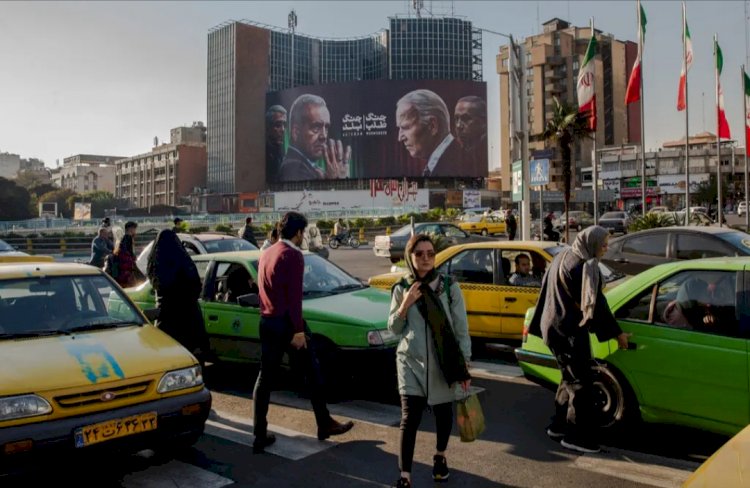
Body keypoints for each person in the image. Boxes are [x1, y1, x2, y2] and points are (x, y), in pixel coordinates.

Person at [253, 211, 354, 453]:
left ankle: (258, 434)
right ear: (299, 233)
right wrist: (298, 331)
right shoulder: (293, 255)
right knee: (313, 372)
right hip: (287, 323)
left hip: (267, 321)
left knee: (264, 380)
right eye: (303, 233)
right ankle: (324, 423)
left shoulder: (267, 252)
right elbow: (294, 298)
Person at [527, 226, 630, 454]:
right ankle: (576, 437)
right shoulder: (583, 267)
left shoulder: (564, 255)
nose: (605, 248)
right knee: (581, 383)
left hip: (553, 327)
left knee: (568, 378)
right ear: (590, 243)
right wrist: (617, 334)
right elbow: (598, 305)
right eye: (602, 244)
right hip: (567, 331)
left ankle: (558, 426)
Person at [388, 234, 472, 488]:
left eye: (430, 254)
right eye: (419, 254)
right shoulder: (402, 287)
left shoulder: (448, 286)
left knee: (443, 412)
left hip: (442, 362)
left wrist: (464, 365)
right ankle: (405, 477)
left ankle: (440, 456)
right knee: (409, 418)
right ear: (410, 257)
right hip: (409, 362)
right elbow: (393, 328)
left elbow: (461, 329)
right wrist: (405, 305)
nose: (425, 259)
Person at [147, 228, 210, 363]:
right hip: (188, 316)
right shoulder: (184, 261)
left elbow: (157, 285)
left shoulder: (155, 264)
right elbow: (196, 285)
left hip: (166, 317)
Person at [277, 94, 350, 182]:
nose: (324, 136)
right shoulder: (294, 168)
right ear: (296, 132)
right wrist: (337, 180)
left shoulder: (310, 168)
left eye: (326, 128)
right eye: (316, 127)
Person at [396, 89, 464, 177]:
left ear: (432, 126)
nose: (400, 137)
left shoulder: (457, 166)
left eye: (405, 127)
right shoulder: (450, 160)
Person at [454, 96, 488, 176]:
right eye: (456, 119)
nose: (458, 126)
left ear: (483, 122)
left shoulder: (486, 153)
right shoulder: (455, 155)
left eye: (466, 119)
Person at [110, 221, 144, 288]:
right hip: (127, 266)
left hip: (122, 266)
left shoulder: (122, 237)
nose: (135, 231)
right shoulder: (128, 237)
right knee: (141, 280)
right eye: (135, 229)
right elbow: (129, 252)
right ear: (130, 229)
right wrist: (134, 259)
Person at [266, 105, 287, 181]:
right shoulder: (263, 155)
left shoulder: (283, 154)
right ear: (268, 127)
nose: (283, 130)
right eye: (278, 125)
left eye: (284, 125)